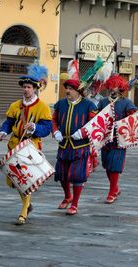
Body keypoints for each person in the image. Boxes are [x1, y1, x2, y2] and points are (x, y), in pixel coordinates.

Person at [0, 72, 52, 225]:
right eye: (24, 87)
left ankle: (24, 210)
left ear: (35, 89)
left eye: (29, 87)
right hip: (14, 145)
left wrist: (35, 127)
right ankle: (27, 204)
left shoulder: (42, 107)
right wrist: (2, 131)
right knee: (13, 180)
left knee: (25, 178)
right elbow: (8, 123)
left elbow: (47, 128)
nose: (26, 90)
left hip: (31, 147)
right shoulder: (15, 105)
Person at [52, 79, 97, 215]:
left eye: (71, 89)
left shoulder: (88, 105)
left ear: (78, 91)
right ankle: (67, 196)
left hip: (80, 146)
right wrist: (55, 131)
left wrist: (82, 133)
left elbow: (94, 124)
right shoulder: (60, 104)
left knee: (77, 175)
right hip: (64, 145)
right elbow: (53, 120)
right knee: (62, 174)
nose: (67, 91)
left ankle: (75, 204)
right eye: (67, 88)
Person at [98, 75, 136, 204]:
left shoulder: (127, 102)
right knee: (107, 165)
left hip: (119, 139)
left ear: (120, 88)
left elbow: (133, 119)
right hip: (104, 138)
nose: (112, 88)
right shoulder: (103, 102)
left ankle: (111, 192)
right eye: (110, 85)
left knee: (114, 165)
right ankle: (115, 188)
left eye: (115, 86)